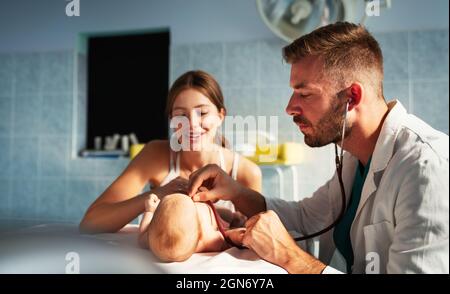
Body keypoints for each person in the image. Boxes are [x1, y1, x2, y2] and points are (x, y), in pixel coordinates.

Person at [187, 22, 449, 274]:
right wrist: (235, 192)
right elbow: (304, 218)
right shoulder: (354, 160)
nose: (289, 108)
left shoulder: (427, 169)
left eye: (305, 94)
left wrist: (290, 257)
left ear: (352, 98)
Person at [79, 70, 262, 233]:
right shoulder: (154, 155)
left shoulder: (246, 172)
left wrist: (238, 228)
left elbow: (260, 234)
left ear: (220, 116)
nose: (191, 125)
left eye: (203, 113)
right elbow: (91, 223)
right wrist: (158, 194)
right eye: (181, 115)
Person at [138, 193, 247, 262]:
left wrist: (149, 211)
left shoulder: (155, 240)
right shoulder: (206, 238)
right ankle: (234, 217)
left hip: (207, 214)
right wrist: (237, 235)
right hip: (214, 216)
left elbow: (142, 236)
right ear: (199, 234)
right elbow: (225, 237)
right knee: (228, 215)